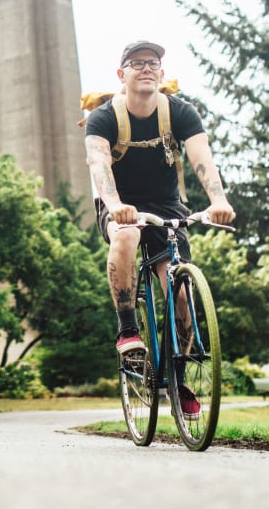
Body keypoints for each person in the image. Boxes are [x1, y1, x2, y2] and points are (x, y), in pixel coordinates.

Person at [83, 39, 235, 418]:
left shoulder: (179, 113)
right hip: (119, 204)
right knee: (128, 234)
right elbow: (99, 165)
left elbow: (202, 157)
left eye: (152, 62)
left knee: (180, 290)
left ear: (162, 73)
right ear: (122, 75)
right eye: (136, 63)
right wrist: (116, 206)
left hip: (168, 208)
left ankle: (178, 377)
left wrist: (218, 200)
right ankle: (128, 331)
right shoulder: (104, 117)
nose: (146, 68)